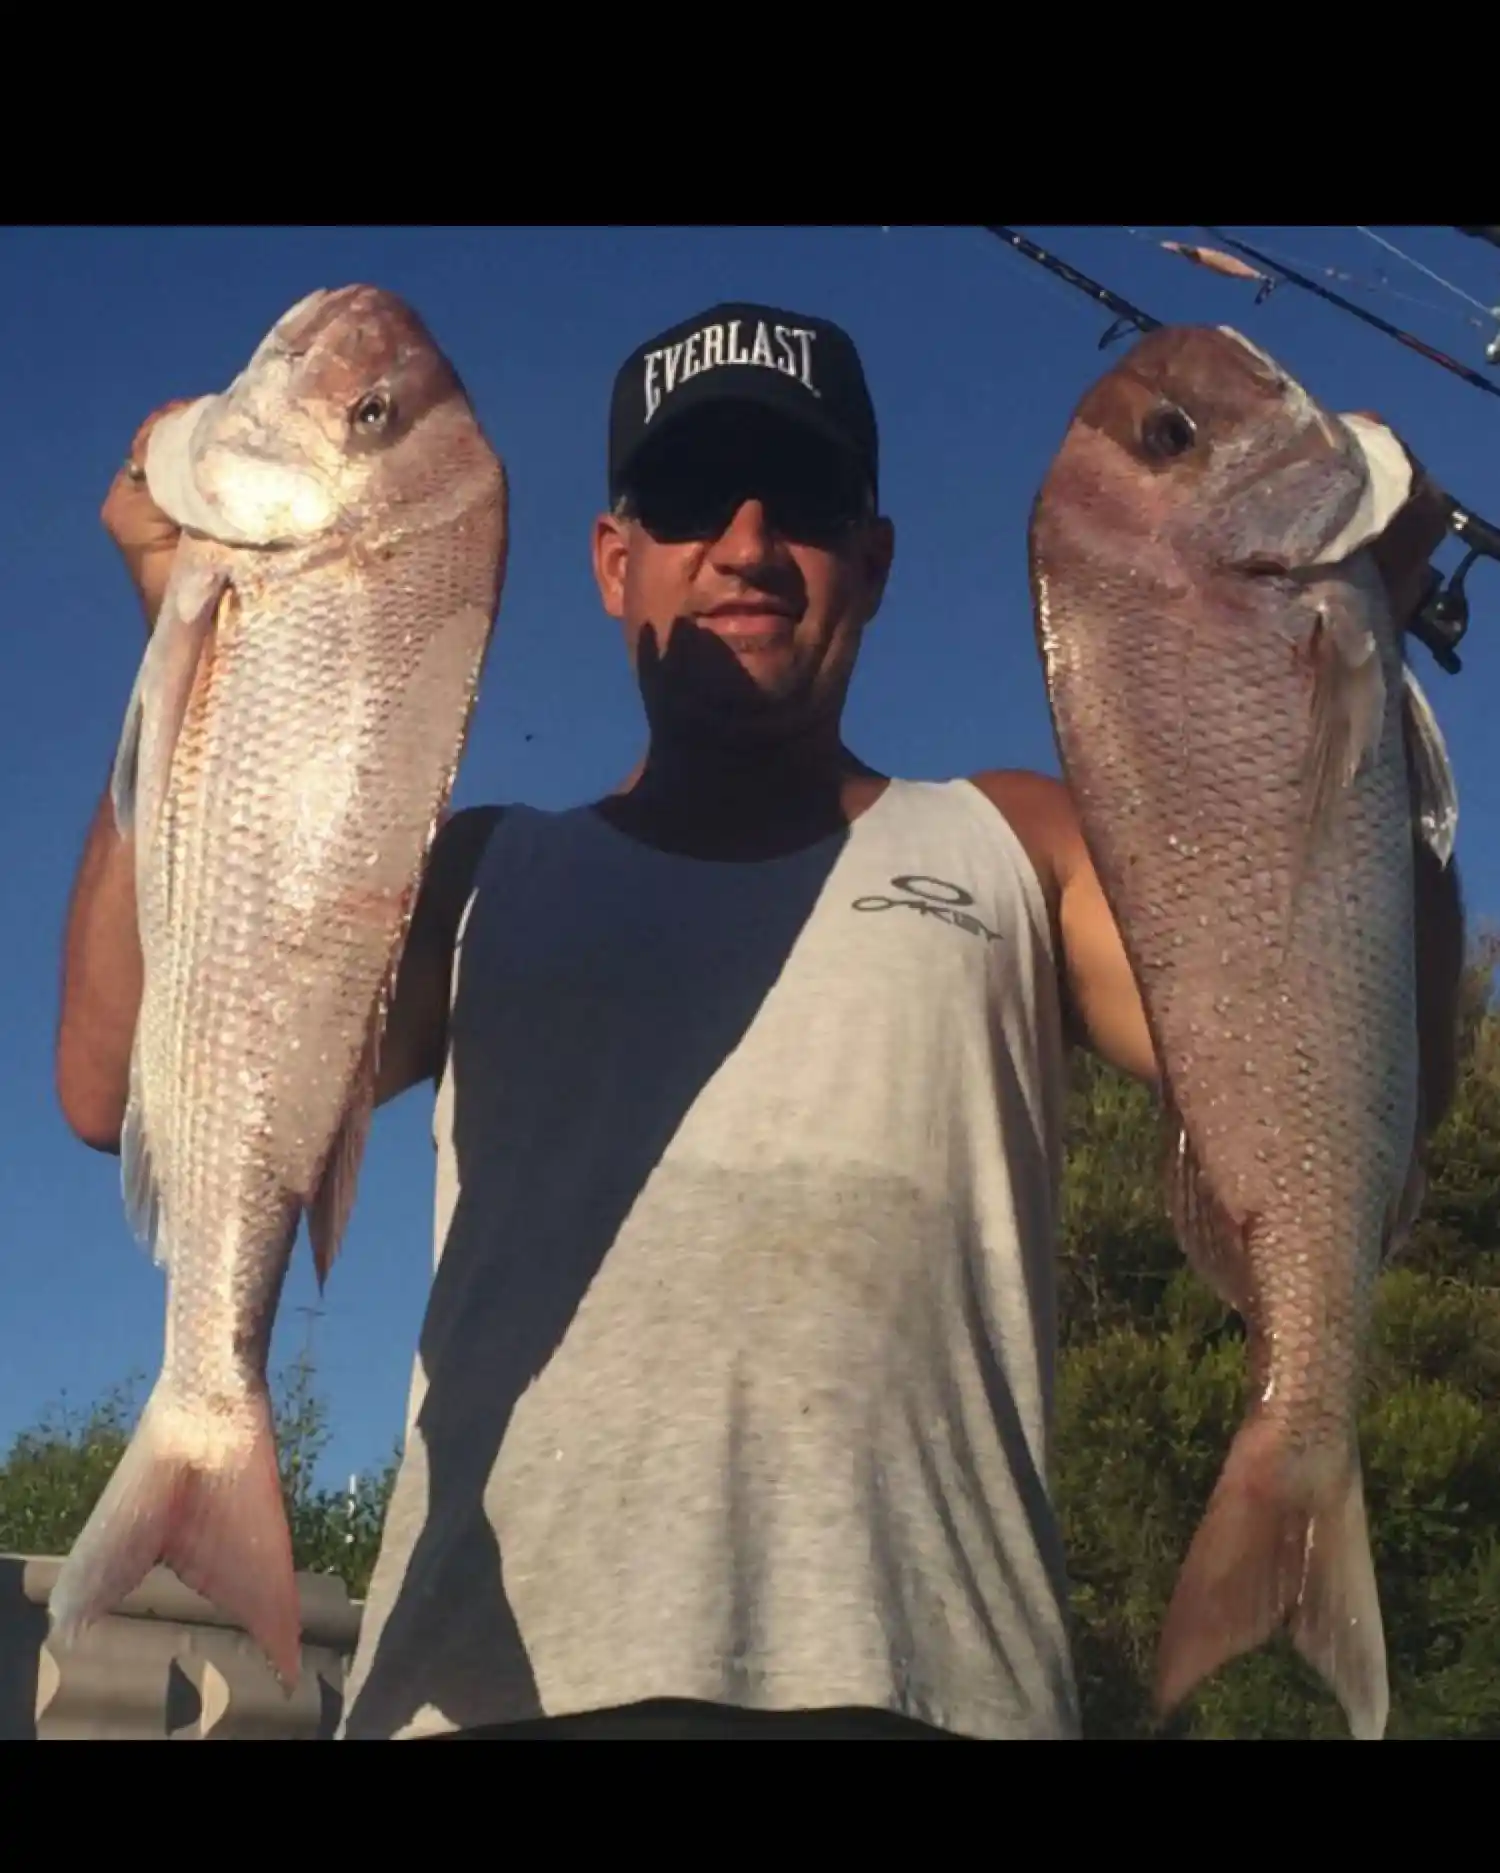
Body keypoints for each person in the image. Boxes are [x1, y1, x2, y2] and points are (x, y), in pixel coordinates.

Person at [55, 299, 1455, 1741]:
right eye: (683, 498)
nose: (743, 545)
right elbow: (110, 1077)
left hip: (934, 1691)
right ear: (613, 562)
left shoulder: (1020, 850)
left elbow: (1352, 1069)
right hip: (482, 1691)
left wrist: (1348, 659)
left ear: (874, 558)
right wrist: (193, 642)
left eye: (800, 499)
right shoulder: (464, 872)